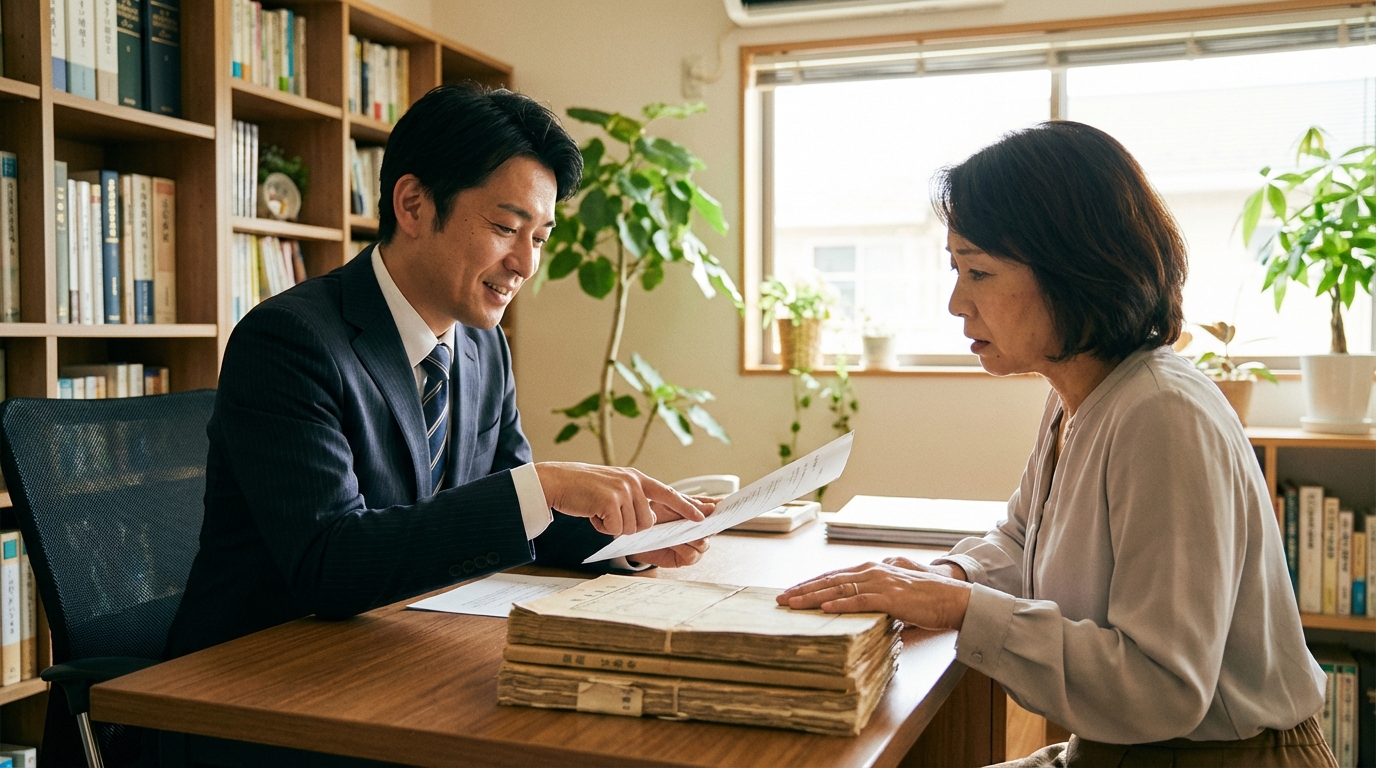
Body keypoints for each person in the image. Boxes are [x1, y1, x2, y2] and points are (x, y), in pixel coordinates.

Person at [779, 122, 1333, 766]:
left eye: (979, 272)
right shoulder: (1079, 392)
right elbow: (1022, 538)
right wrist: (946, 575)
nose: (957, 303)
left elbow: (1163, 687)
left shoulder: (1161, 414)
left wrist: (963, 609)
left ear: (1075, 271)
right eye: (956, 269)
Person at [168, 84, 712, 659]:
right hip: (252, 676)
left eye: (540, 238)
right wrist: (543, 484)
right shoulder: (289, 341)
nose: (526, 263)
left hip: (393, 650)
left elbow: (520, 517)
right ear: (413, 206)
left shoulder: (483, 347)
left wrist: (635, 535)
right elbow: (330, 563)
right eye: (506, 228)